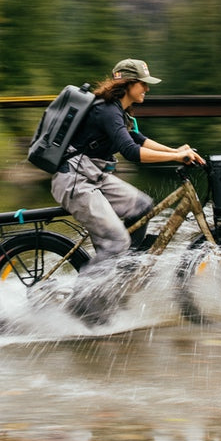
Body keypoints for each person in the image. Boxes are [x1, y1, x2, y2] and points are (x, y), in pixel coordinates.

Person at [51, 58, 205, 325]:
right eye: (143, 84)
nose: (147, 88)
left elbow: (137, 139)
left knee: (141, 207)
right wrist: (175, 158)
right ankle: (80, 305)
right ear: (128, 83)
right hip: (75, 181)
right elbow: (132, 152)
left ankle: (118, 277)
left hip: (93, 176)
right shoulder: (107, 110)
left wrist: (176, 151)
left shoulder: (118, 110)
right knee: (117, 242)